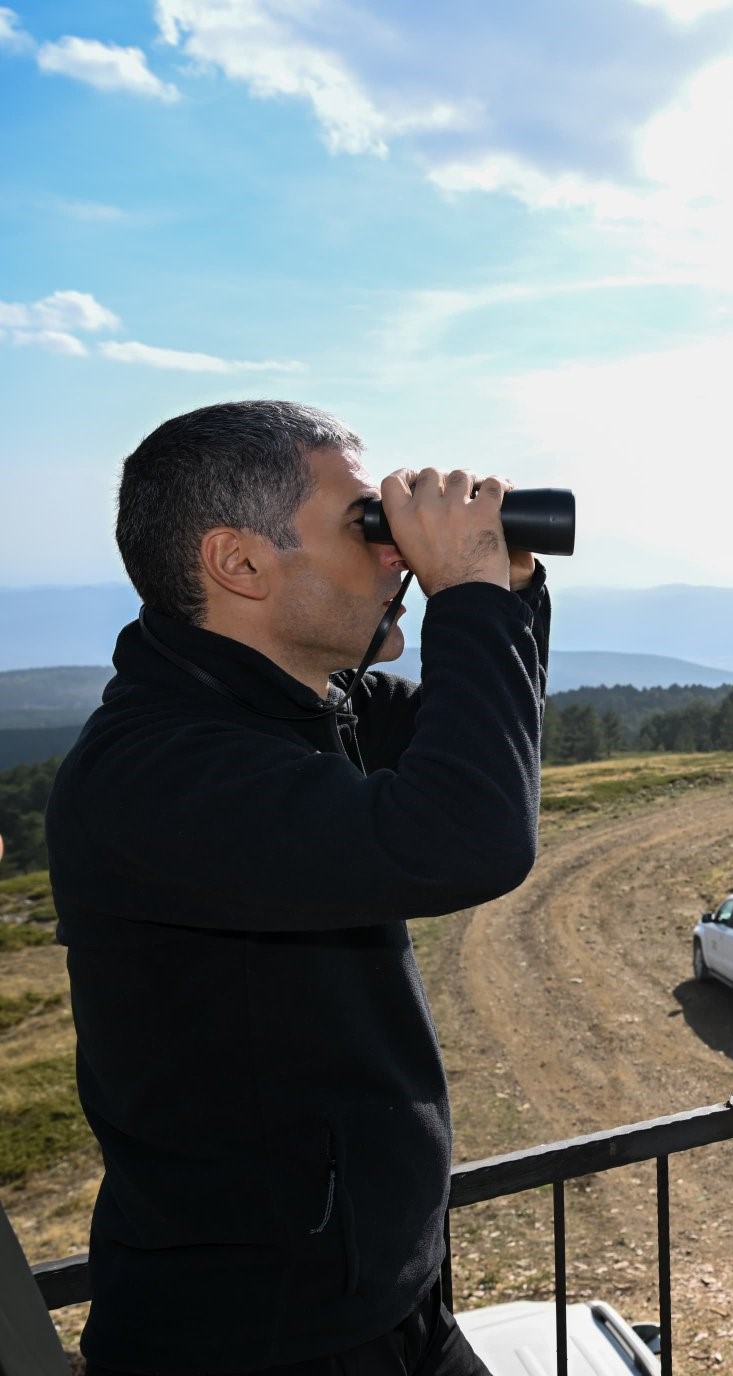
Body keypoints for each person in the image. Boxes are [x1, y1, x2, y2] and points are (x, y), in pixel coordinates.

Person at [45, 401, 551, 1375]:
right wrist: (468, 594)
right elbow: (470, 838)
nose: (398, 554)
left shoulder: (311, 709)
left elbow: (482, 751)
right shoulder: (155, 775)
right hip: (257, 1339)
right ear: (239, 563)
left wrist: (507, 585)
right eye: (370, 525)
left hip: (387, 1296)